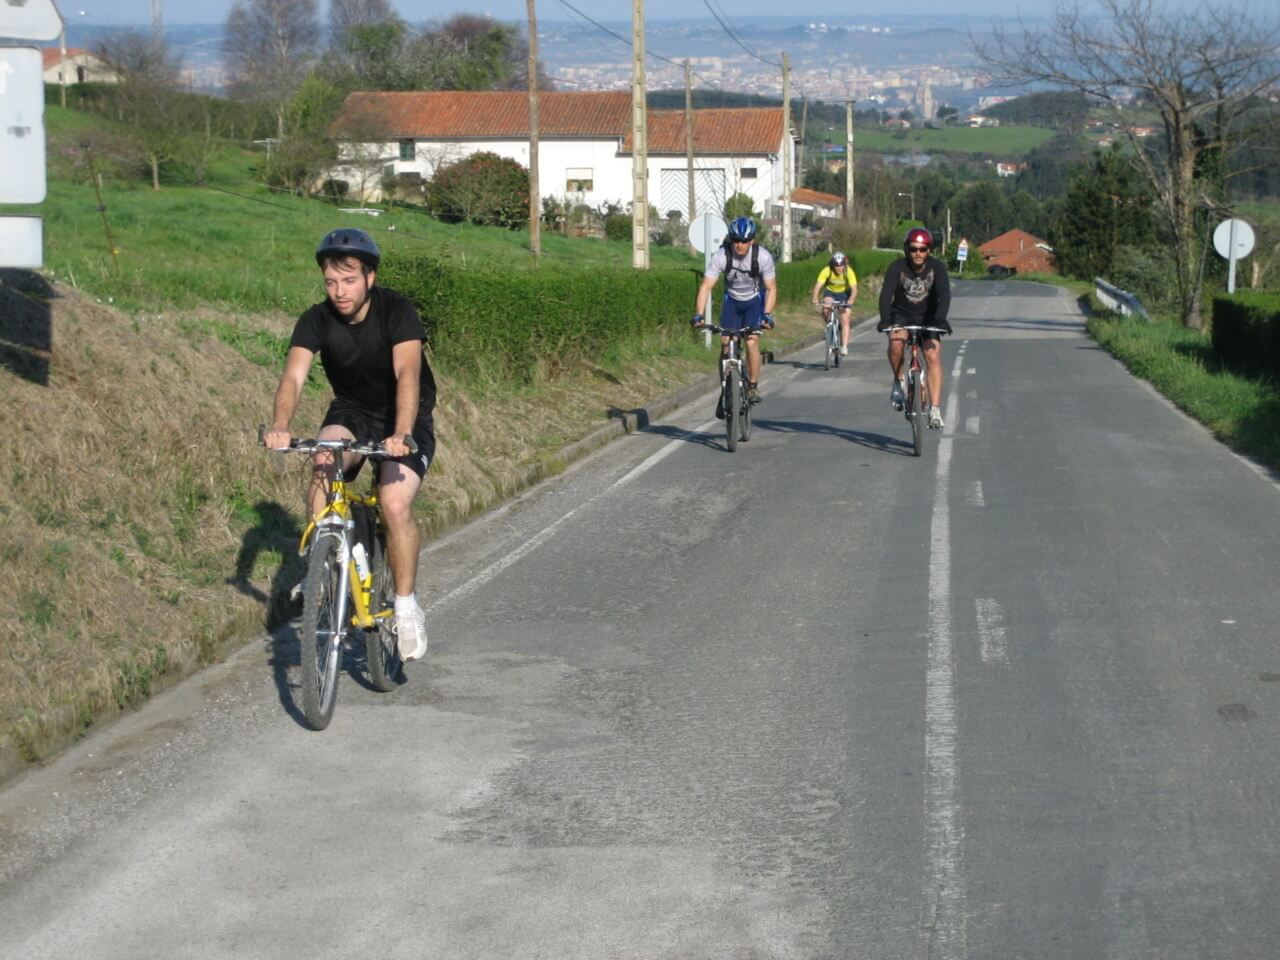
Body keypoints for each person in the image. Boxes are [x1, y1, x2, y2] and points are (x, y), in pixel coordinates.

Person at [263, 228, 436, 662]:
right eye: (331, 282)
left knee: (394, 504)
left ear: (370, 278)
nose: (340, 291)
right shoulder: (316, 319)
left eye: (349, 280)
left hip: (403, 416)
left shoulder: (397, 311)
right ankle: (323, 567)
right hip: (352, 411)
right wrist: (280, 425)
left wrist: (401, 433)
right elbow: (294, 376)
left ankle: (405, 607)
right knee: (324, 458)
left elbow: (408, 374)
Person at [691, 216, 778, 407]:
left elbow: (771, 288)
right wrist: (699, 314)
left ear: (751, 241)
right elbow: (706, 286)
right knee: (725, 343)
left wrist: (767, 315)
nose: (740, 245)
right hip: (732, 302)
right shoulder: (721, 256)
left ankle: (753, 386)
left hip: (754, 302)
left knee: (751, 340)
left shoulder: (762, 257)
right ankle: (726, 388)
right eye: (736, 240)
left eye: (744, 241)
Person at [878, 227, 952, 429]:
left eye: (922, 249)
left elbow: (944, 296)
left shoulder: (937, 267)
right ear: (906, 249)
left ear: (929, 250)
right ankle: (898, 380)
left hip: (929, 317)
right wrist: (885, 320)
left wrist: (940, 319)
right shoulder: (897, 268)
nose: (918, 253)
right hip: (901, 314)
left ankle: (935, 409)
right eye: (913, 249)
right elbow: (886, 296)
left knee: (932, 355)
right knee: (895, 344)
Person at [810, 250, 859, 356]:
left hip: (845, 294)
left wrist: (851, 299)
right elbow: (818, 285)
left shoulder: (849, 271)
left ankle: (844, 346)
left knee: (845, 319)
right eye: (836, 265)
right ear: (832, 265)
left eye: (841, 265)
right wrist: (814, 297)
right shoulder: (827, 270)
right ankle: (829, 327)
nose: (839, 268)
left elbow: (854, 288)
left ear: (844, 265)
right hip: (830, 292)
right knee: (826, 309)